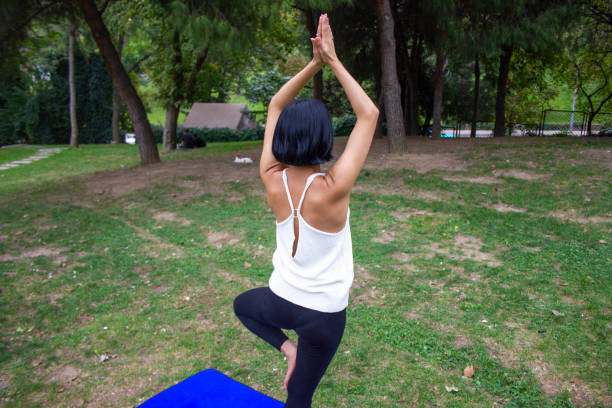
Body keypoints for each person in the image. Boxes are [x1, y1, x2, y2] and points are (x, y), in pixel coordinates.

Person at [233, 14, 378, 408]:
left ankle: (287, 350)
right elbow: (369, 114)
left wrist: (311, 64)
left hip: (282, 299)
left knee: (244, 306)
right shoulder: (332, 188)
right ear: (325, 138)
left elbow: (276, 104)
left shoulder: (270, 176)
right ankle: (296, 355)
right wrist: (330, 61)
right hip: (323, 317)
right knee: (298, 398)